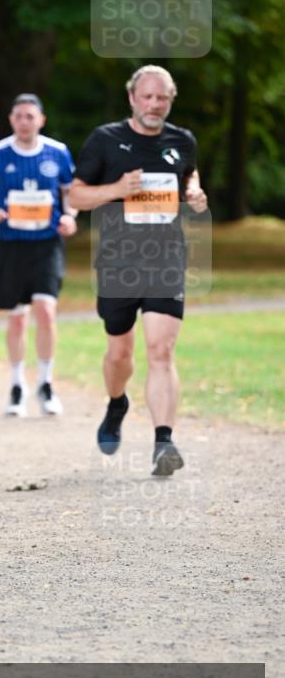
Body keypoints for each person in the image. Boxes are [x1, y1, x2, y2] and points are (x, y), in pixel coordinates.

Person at [68, 65, 208, 476]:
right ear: (132, 98)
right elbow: (76, 193)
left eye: (162, 97)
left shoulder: (182, 141)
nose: (154, 104)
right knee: (120, 352)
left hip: (166, 259)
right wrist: (115, 190)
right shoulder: (106, 139)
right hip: (118, 263)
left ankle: (164, 441)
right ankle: (117, 404)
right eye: (147, 97)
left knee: (161, 351)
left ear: (170, 99)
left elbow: (189, 178)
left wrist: (195, 193)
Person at [0, 94, 77, 416]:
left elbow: (70, 192)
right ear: (11, 119)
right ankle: (17, 385)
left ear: (41, 120)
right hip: (12, 246)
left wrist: (70, 216)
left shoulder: (57, 153)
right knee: (17, 318)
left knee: (46, 311)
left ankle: (46, 382)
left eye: (30, 116)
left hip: (46, 245)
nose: (24, 121)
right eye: (19, 116)